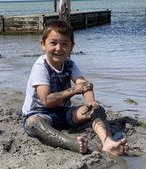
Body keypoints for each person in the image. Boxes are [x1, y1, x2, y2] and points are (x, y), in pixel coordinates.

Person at [22, 20, 128, 156]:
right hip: (39, 114)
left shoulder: (70, 65)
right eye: (53, 43)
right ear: (43, 45)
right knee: (34, 122)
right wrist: (75, 90)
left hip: (63, 113)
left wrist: (90, 102)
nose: (59, 48)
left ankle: (107, 142)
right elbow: (46, 101)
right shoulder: (41, 66)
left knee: (96, 109)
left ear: (72, 47)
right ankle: (72, 144)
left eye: (64, 44)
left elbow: (85, 85)